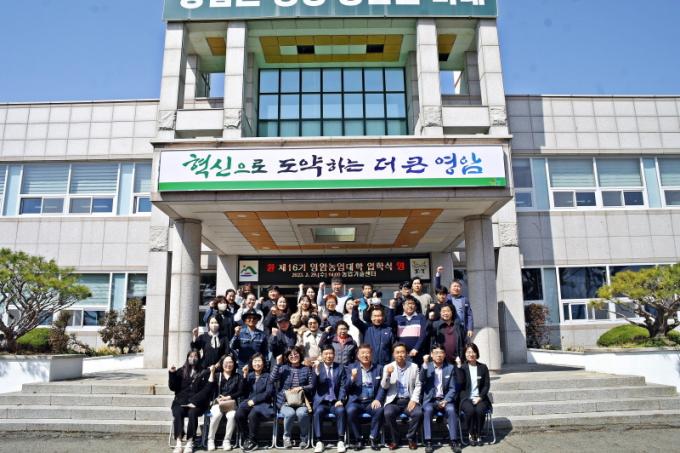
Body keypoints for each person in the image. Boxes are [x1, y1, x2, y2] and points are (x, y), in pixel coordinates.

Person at [270, 346, 314, 448]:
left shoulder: (306, 369)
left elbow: (312, 385)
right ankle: (286, 438)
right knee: (290, 414)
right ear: (287, 357)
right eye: (290, 355)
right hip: (284, 401)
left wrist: (301, 387)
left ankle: (304, 438)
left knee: (302, 413)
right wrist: (277, 364)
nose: (294, 356)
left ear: (300, 354)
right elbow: (272, 380)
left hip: (301, 401)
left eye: (296, 354)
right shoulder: (283, 368)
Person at [381, 343, 422, 450]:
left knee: (418, 413)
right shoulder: (388, 367)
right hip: (394, 401)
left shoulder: (414, 367)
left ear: (407, 354)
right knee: (388, 413)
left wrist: (414, 400)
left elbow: (418, 385)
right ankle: (395, 439)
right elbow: (384, 386)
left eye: (402, 352)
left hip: (409, 400)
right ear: (393, 354)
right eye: (397, 352)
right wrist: (388, 374)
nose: (400, 355)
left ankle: (411, 438)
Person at [169, 350, 212, 453]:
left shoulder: (204, 372)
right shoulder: (181, 370)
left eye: (195, 356)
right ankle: (178, 442)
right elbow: (173, 387)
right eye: (191, 356)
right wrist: (172, 374)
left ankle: (190, 441)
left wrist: (194, 402)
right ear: (187, 358)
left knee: (192, 413)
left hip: (197, 403)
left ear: (199, 358)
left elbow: (205, 391)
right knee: (178, 412)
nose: (193, 358)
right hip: (181, 401)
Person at [420, 345, 462, 453]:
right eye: (436, 353)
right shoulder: (427, 367)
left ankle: (454, 440)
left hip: (445, 399)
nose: (439, 355)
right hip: (431, 400)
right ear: (431, 355)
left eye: (441, 353)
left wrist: (446, 400)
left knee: (451, 410)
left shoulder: (450, 368)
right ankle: (428, 441)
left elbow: (452, 388)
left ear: (444, 355)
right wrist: (425, 364)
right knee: (428, 410)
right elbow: (421, 379)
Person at [345, 344, 385, 451]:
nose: (365, 355)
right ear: (358, 355)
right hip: (356, 401)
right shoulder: (351, 367)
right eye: (362, 353)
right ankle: (359, 439)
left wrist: (377, 399)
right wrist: (352, 378)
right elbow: (346, 388)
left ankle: (373, 438)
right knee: (350, 411)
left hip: (371, 401)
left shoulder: (379, 368)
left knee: (379, 410)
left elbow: (382, 387)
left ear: (371, 355)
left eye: (367, 353)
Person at [235, 353, 275, 451]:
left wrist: (255, 400)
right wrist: (244, 376)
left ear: (263, 363)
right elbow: (242, 391)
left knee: (253, 414)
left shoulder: (268, 376)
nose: (257, 363)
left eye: (259, 361)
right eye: (255, 361)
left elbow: (268, 393)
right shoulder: (250, 375)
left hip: (263, 404)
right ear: (251, 363)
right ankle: (247, 438)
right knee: (239, 414)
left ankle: (253, 440)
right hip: (249, 402)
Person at [311, 345, 348, 453]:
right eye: (326, 354)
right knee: (318, 412)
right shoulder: (317, 367)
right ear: (322, 355)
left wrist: (341, 400)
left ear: (334, 355)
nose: (328, 356)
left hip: (336, 401)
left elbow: (343, 386)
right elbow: (313, 386)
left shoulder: (340, 367)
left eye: (331, 353)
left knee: (341, 411)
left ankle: (340, 440)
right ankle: (319, 441)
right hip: (322, 401)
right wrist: (316, 372)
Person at [206, 354, 244, 451]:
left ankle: (227, 440)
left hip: (231, 404)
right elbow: (209, 388)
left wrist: (228, 397)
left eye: (231, 362)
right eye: (226, 362)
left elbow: (241, 391)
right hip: (217, 403)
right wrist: (212, 372)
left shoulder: (238, 377)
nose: (228, 365)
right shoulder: (217, 375)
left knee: (232, 415)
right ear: (222, 364)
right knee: (216, 415)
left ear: (234, 364)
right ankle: (210, 440)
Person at [455, 343, 491, 447]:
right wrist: (458, 367)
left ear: (477, 353)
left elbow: (486, 385)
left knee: (480, 410)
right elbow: (460, 382)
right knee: (470, 410)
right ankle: (471, 434)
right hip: (465, 398)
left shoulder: (483, 367)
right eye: (468, 352)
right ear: (465, 354)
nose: (471, 354)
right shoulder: (462, 367)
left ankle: (478, 434)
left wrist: (480, 397)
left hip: (480, 398)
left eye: (473, 352)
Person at [434, 267, 474, 339]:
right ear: (450, 288)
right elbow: (438, 288)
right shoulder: (446, 297)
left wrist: (470, 329)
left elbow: (469, 315)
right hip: (449, 327)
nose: (456, 288)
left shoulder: (465, 300)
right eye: (454, 286)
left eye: (458, 286)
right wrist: (438, 274)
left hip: (462, 328)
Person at [392, 296, 427, 364]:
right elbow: (389, 325)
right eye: (408, 303)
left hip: (417, 352)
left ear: (415, 306)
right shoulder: (397, 318)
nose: (410, 306)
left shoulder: (421, 317)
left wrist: (416, 348)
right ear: (403, 306)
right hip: (401, 353)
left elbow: (423, 334)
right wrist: (391, 307)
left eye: (412, 303)